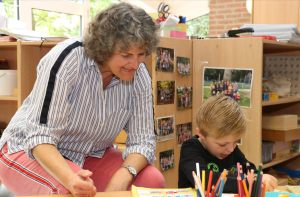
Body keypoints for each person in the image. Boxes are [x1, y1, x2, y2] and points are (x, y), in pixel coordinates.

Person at [0, 2, 165, 196]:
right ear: (104, 48)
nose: (136, 64)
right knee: (67, 191)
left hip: (88, 155)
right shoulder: (68, 58)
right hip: (27, 149)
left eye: (141, 54)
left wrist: (122, 177)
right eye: (126, 55)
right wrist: (70, 179)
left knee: (151, 181)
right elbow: (39, 137)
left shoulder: (140, 75)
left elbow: (143, 142)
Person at [178, 96, 277, 193]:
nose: (231, 149)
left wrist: (260, 178)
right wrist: (249, 182)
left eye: (235, 142)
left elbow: (249, 169)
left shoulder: (230, 148)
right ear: (201, 134)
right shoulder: (190, 148)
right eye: (222, 144)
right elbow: (206, 180)